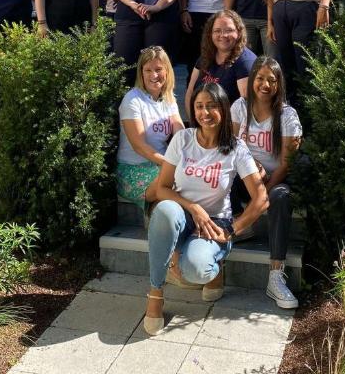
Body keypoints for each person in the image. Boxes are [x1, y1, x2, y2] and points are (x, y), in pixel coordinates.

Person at [142, 82, 267, 335]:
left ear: (223, 108)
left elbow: (261, 198)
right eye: (199, 106)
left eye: (211, 106)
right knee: (165, 209)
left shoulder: (235, 148)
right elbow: (162, 188)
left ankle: (214, 265)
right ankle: (155, 294)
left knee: (196, 270)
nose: (204, 113)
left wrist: (233, 229)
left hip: (215, 223)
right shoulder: (183, 139)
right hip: (182, 214)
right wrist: (192, 207)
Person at [230, 56, 303, 309]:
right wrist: (253, 167)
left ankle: (275, 275)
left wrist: (264, 192)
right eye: (260, 78)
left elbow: (286, 164)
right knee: (223, 171)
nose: (265, 84)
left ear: (278, 84)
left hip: (275, 183)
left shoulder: (288, 115)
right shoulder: (240, 107)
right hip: (247, 179)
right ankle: (234, 226)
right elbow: (230, 147)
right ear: (251, 81)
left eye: (271, 80)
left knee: (281, 197)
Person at [117, 46, 186, 207]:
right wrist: (171, 164)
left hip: (160, 165)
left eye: (158, 69)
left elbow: (180, 133)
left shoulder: (169, 98)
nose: (154, 75)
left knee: (191, 178)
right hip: (132, 170)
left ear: (167, 71)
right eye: (148, 70)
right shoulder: (132, 100)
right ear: (141, 73)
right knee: (177, 182)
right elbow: (139, 146)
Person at [184, 10, 256, 115]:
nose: (223, 35)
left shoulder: (245, 62)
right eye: (217, 31)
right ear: (210, 34)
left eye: (229, 30)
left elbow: (246, 107)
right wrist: (193, 123)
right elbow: (190, 92)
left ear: (239, 32)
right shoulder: (206, 56)